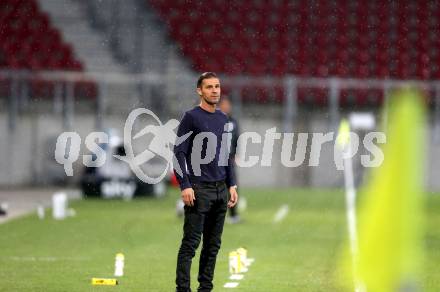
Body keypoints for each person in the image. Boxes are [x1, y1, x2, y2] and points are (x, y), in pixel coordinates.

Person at [174, 72, 238, 292]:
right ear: (199, 91)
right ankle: (183, 289)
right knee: (191, 245)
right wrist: (185, 185)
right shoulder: (190, 117)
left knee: (212, 247)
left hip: (221, 190)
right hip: (199, 190)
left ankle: (205, 289)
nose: (214, 91)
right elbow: (178, 153)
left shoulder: (224, 119)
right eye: (209, 87)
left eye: (217, 86)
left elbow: (225, 155)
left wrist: (232, 184)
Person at [218, 96, 241, 224]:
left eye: (228, 104)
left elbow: (236, 139)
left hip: (229, 160)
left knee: (232, 186)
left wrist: (235, 154)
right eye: (224, 104)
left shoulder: (233, 122)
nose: (226, 107)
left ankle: (233, 215)